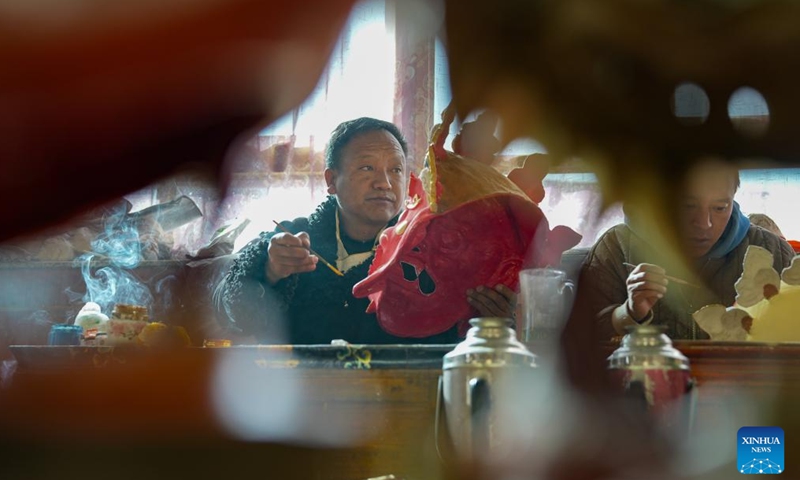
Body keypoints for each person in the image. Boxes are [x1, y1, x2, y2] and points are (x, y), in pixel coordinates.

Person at [219, 117, 514, 344]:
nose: (384, 182)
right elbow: (228, 308)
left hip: (403, 400)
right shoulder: (292, 242)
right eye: (366, 168)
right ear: (331, 180)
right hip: (305, 398)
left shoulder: (436, 247)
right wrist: (269, 272)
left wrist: (496, 319)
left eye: (395, 170)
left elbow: (454, 341)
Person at [573, 160, 795, 340]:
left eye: (720, 208)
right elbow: (579, 342)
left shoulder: (769, 250)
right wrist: (629, 312)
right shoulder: (617, 247)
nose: (704, 223)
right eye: (688, 205)